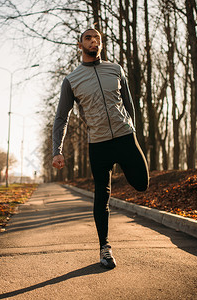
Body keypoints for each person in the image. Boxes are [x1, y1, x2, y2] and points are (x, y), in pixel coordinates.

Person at [52, 28, 149, 269]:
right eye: (88, 38)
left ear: (101, 45)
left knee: (141, 183)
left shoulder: (115, 70)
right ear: (80, 45)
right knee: (101, 197)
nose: (94, 41)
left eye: (97, 38)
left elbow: (129, 103)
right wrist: (58, 150)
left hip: (125, 137)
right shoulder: (71, 80)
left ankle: (123, 166)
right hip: (99, 144)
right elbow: (61, 117)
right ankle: (104, 248)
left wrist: (132, 129)